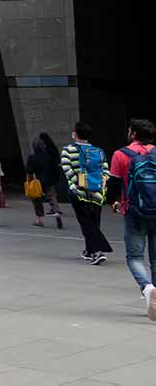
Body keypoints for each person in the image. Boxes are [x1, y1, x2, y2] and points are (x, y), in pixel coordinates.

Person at [107, 118, 156, 322]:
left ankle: (147, 287)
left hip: (134, 210)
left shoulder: (121, 154)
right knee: (155, 258)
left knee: (134, 257)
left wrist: (114, 203)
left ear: (133, 134)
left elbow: (113, 186)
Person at [61, 121, 112, 264]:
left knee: (86, 223)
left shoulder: (68, 150)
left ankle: (97, 252)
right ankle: (89, 251)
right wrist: (97, 185)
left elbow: (67, 169)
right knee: (94, 222)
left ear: (74, 134)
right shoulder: (99, 151)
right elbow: (106, 172)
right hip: (97, 193)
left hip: (78, 193)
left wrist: (77, 184)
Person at [25, 133, 64, 229]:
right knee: (52, 197)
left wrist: (29, 182)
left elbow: (29, 171)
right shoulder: (48, 156)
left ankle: (39, 219)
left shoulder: (32, 157)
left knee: (36, 200)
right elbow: (54, 169)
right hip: (48, 180)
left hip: (37, 182)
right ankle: (57, 212)